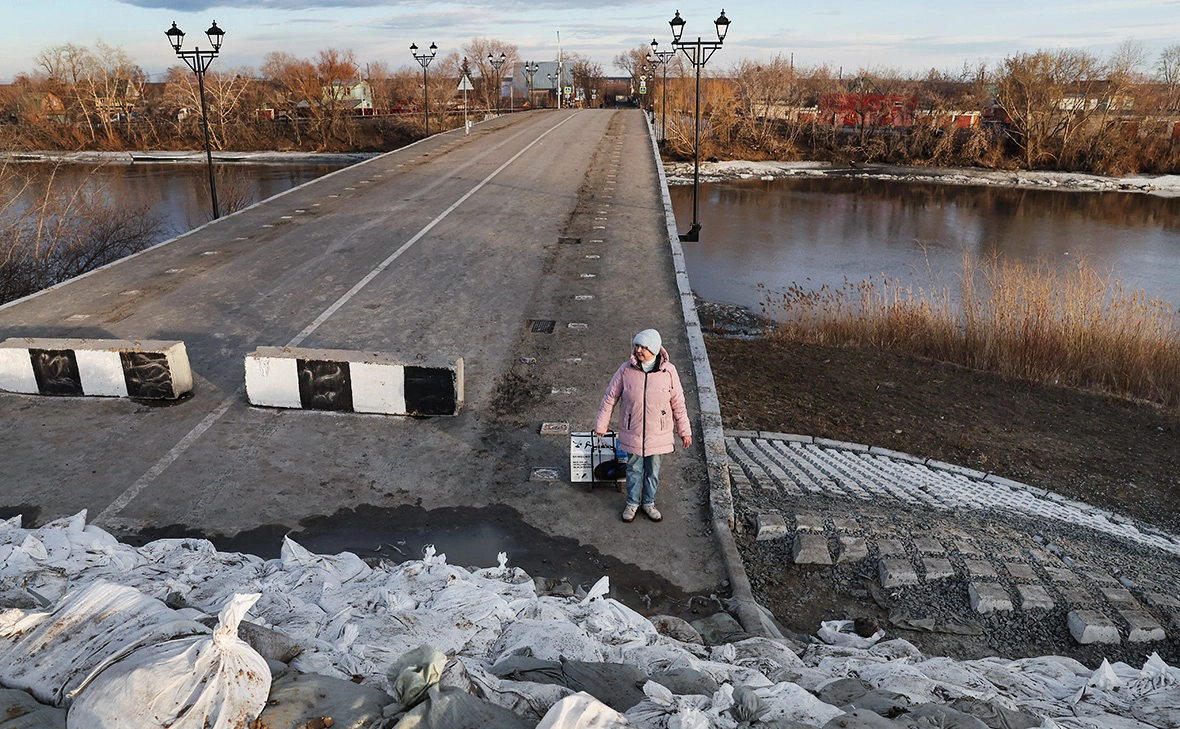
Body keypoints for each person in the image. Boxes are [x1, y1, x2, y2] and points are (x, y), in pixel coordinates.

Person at [594, 329, 692, 523]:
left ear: (654, 349)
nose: (638, 350)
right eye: (637, 346)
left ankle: (648, 502)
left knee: (653, 471)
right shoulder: (625, 370)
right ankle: (632, 503)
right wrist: (601, 424)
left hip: (659, 433)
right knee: (633, 469)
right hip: (633, 431)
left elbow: (679, 404)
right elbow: (610, 397)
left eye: (643, 347)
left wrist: (685, 432)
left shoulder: (669, 372)